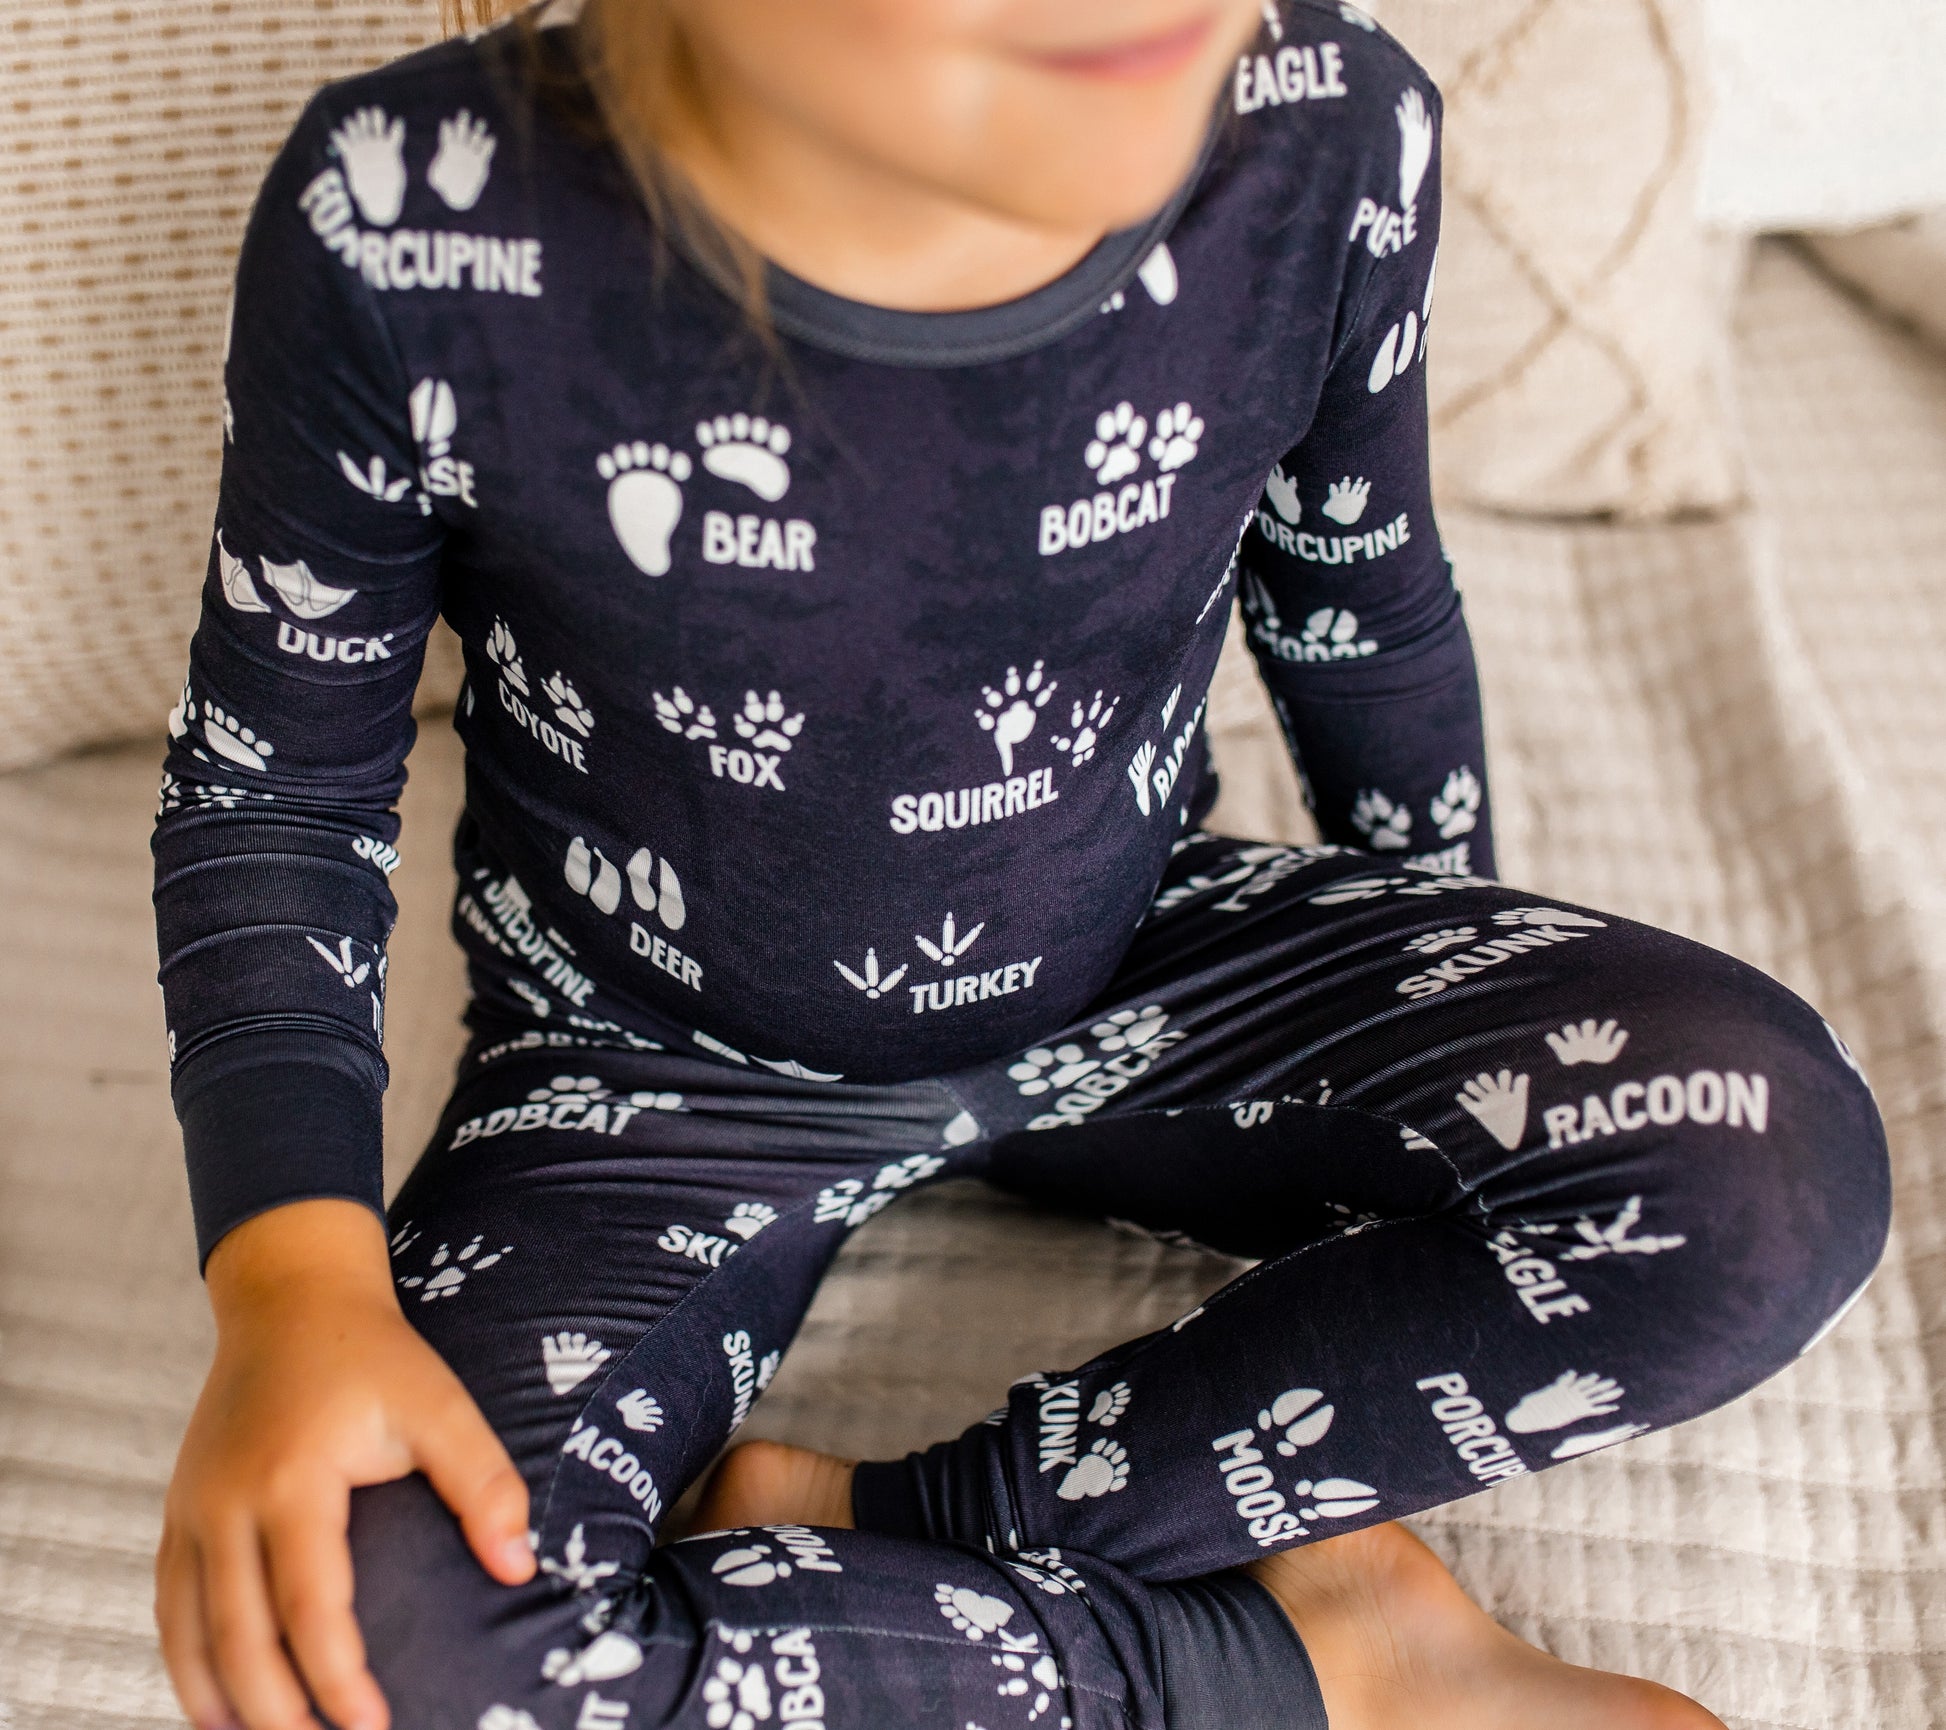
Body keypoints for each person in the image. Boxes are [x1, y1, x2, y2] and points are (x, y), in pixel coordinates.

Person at [150, 0, 1891, 1726]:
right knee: (359, 1627)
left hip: (1141, 955)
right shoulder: (411, 215)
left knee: (1760, 1170)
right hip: (644, 1061)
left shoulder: (1321, 121)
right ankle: (1302, 1660)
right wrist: (290, 1279)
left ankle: (928, 1519)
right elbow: (278, 791)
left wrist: (1427, 1093)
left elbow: (1361, 611)